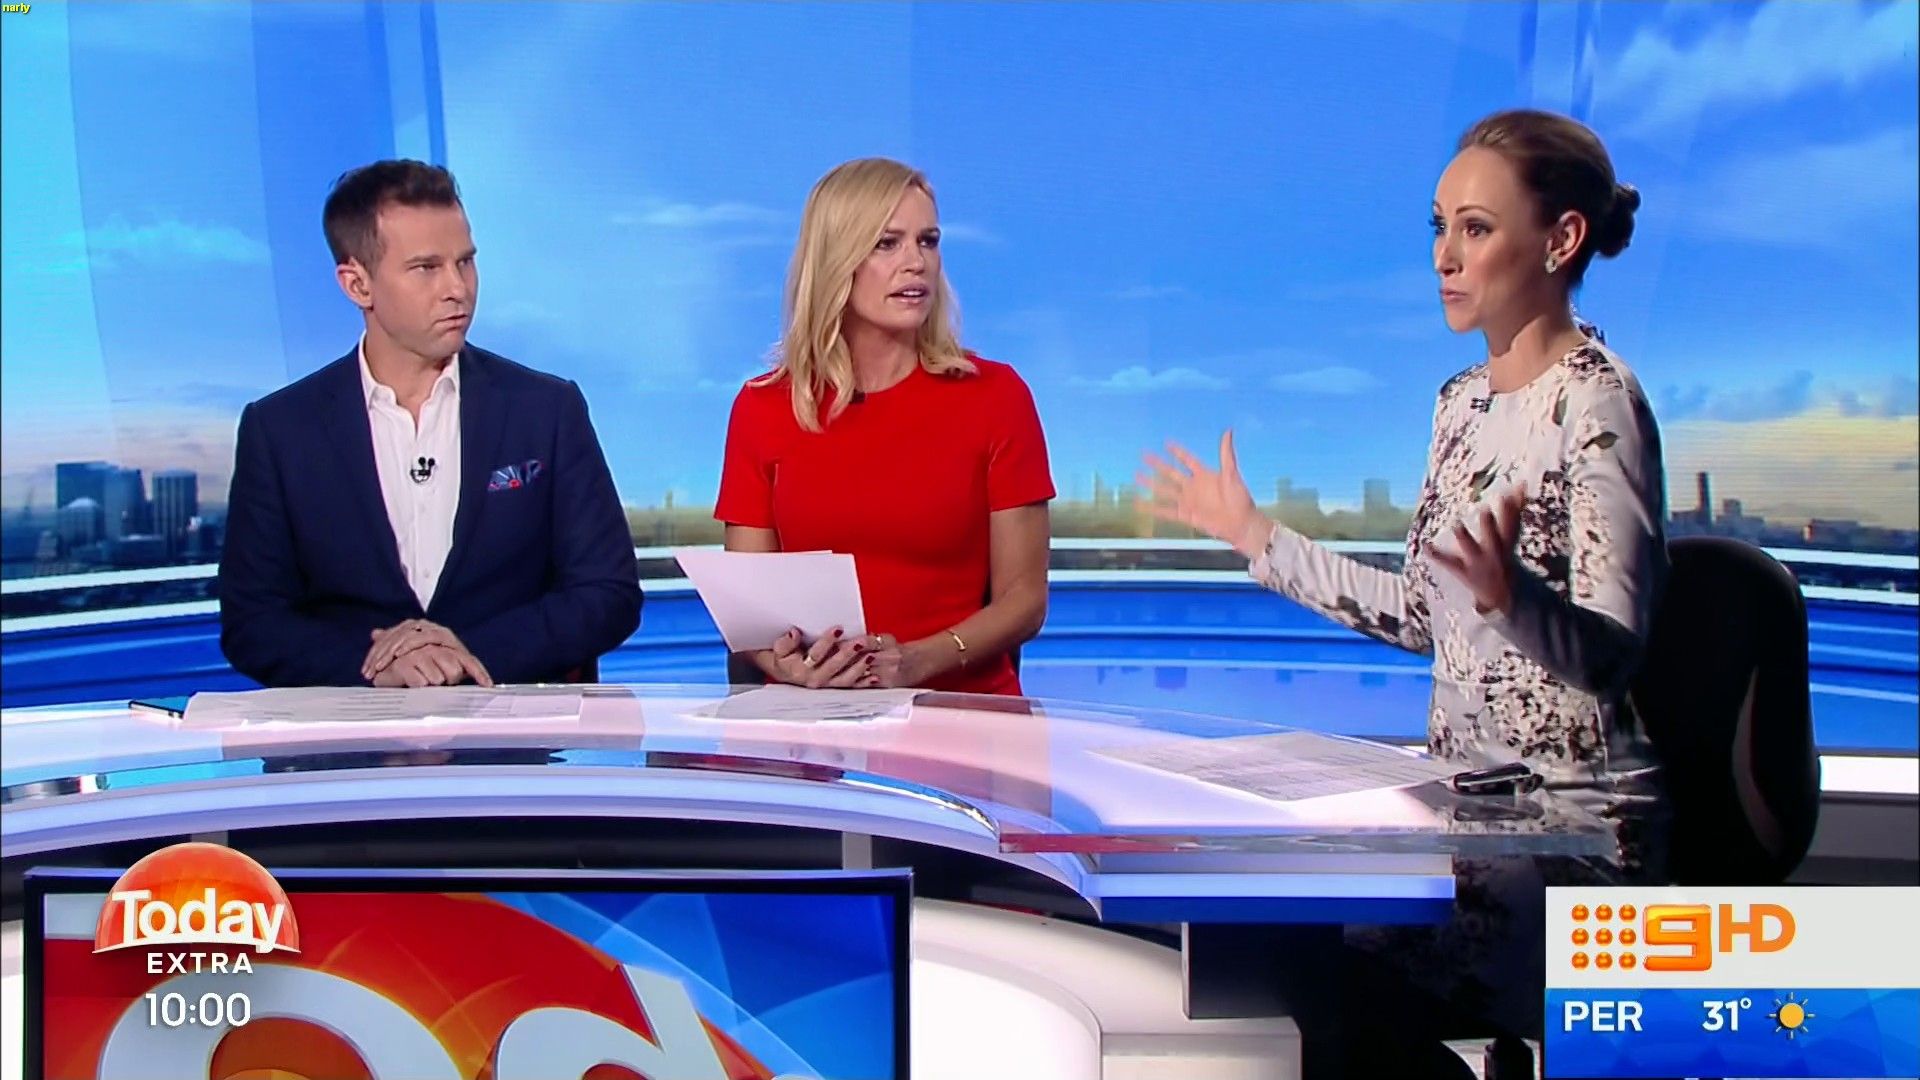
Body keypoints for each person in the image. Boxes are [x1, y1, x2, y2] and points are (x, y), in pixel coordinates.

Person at [1141, 109, 1667, 1072]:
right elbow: (1421, 615)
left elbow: (1615, 651)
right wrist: (1257, 538)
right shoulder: (1458, 405)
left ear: (1561, 240)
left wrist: (1515, 601)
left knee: (1338, 983)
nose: (1444, 257)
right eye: (1439, 226)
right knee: (1268, 937)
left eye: (1476, 228)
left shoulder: (1598, 402)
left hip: (1573, 841)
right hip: (1468, 818)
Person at [219, 160, 641, 688]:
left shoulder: (546, 409)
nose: (457, 288)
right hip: (353, 730)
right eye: (426, 268)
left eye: (465, 262)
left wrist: (466, 654)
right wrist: (377, 666)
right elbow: (253, 622)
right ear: (357, 284)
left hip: (513, 727)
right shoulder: (281, 430)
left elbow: (608, 593)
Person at [716, 158, 1053, 696]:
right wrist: (791, 668)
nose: (916, 263)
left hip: (961, 710)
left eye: (928, 241)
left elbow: (1024, 600)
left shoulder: (996, 396)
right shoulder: (764, 407)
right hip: (810, 714)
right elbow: (750, 612)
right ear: (837, 259)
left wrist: (919, 662)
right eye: (886, 244)